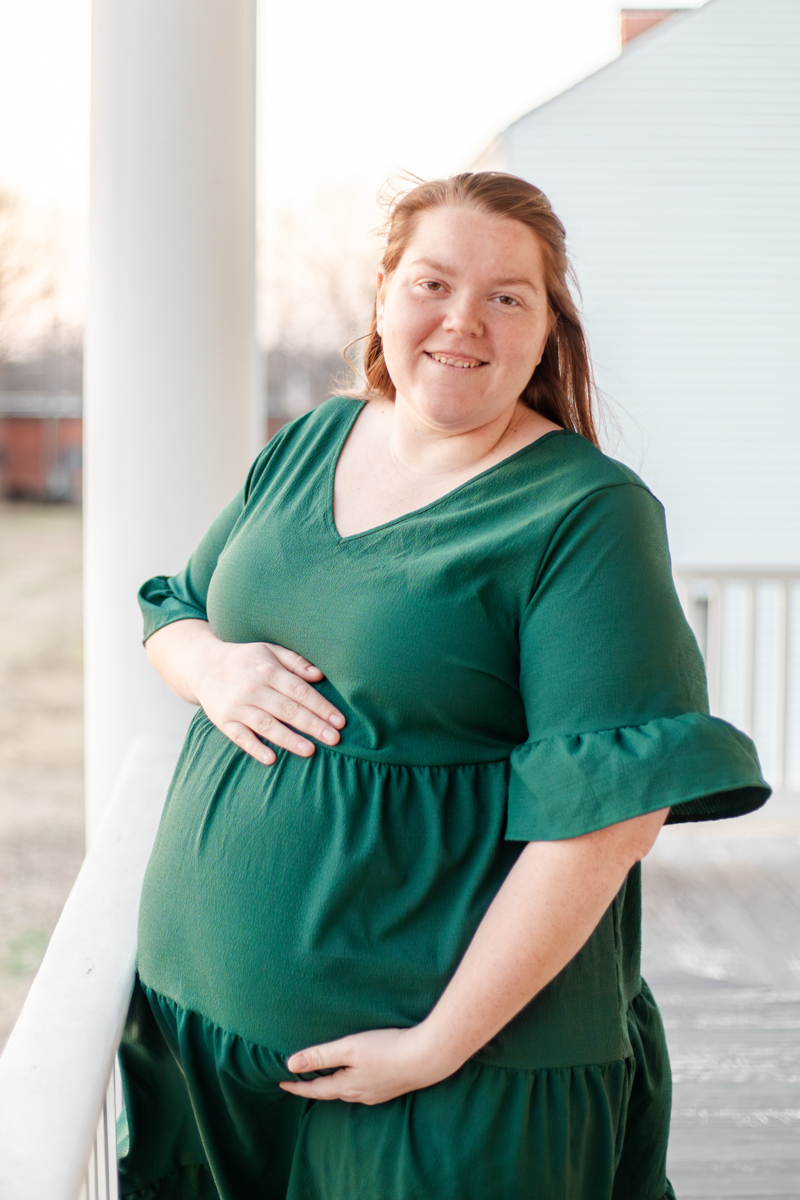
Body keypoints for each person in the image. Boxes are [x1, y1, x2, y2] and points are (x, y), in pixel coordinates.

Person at [117, 172, 768, 1200]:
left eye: (507, 296)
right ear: (381, 292)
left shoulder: (584, 517)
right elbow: (174, 610)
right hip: (207, 1048)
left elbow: (606, 823)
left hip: (446, 1081)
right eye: (431, 282)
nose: (462, 319)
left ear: (547, 330)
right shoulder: (309, 442)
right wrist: (214, 667)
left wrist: (431, 1048)